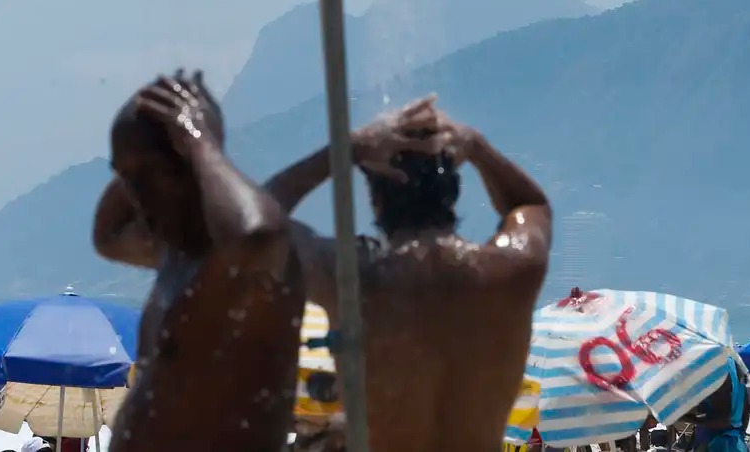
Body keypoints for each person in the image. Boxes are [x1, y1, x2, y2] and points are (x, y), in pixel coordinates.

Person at [265, 96, 552, 451]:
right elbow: (531, 205)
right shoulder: (507, 271)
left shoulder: (352, 278)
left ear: (376, 200)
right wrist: (477, 146)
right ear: (454, 189)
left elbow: (261, 225)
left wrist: (347, 149)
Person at [92, 72, 303, 451]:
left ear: (190, 166)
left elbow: (257, 231)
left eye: (148, 175)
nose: (136, 197)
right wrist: (138, 148)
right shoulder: (176, 257)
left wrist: (201, 140)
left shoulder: (236, 268)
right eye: (126, 178)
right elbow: (106, 236)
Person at [681, 360, 749, 452]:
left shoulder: (716, 367)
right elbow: (747, 408)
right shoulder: (736, 366)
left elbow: (722, 421)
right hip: (736, 444)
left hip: (714, 442)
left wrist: (684, 418)